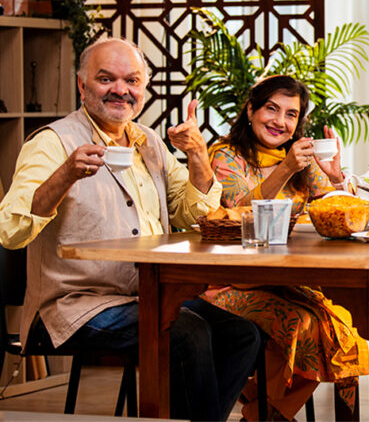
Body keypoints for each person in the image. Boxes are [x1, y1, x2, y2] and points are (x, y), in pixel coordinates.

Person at [0, 37, 262, 420]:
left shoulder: (149, 143)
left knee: (243, 334)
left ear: (143, 89)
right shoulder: (52, 143)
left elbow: (194, 214)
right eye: (106, 79)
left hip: (145, 296)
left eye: (132, 80)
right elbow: (11, 229)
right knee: (185, 333)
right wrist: (65, 175)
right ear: (81, 84)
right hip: (72, 305)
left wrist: (197, 156)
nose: (121, 90)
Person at [201, 75, 369, 421]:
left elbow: (338, 214)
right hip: (227, 284)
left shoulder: (301, 160)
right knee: (300, 325)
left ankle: (265, 411)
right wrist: (287, 168)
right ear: (251, 109)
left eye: (291, 114)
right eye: (271, 109)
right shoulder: (225, 156)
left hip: (288, 282)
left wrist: (336, 178)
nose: (280, 121)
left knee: (343, 328)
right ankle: (269, 411)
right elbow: (237, 211)